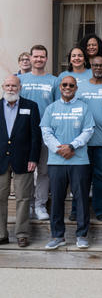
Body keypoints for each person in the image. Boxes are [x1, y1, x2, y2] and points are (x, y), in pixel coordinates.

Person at [40, 76, 95, 250]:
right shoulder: (51, 108)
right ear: (60, 87)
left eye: (71, 85)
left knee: (81, 199)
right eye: (64, 84)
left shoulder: (84, 108)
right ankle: (58, 236)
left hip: (79, 160)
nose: (67, 87)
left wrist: (72, 146)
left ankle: (82, 235)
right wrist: (59, 149)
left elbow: (88, 131)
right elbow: (46, 132)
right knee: (56, 199)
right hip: (56, 161)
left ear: (76, 88)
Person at [73, 56, 102, 222]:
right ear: (90, 66)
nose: (98, 68)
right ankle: (76, 210)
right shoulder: (80, 88)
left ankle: (101, 211)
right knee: (80, 177)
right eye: (95, 65)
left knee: (99, 176)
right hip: (82, 142)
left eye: (101, 66)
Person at [0, 75, 41, 247]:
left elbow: (36, 136)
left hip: (24, 160)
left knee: (23, 198)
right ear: (3, 87)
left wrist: (33, 158)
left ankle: (22, 234)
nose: (11, 88)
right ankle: (1, 234)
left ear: (20, 87)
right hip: (0, 159)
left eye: (14, 86)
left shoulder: (30, 106)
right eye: (8, 85)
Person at [20, 44, 57, 221]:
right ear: (31, 58)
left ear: (46, 59)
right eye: (36, 56)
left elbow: (57, 106)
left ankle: (40, 205)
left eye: (42, 57)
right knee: (24, 171)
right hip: (23, 132)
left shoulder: (54, 81)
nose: (39, 59)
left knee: (44, 171)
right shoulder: (21, 79)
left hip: (45, 132)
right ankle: (27, 205)